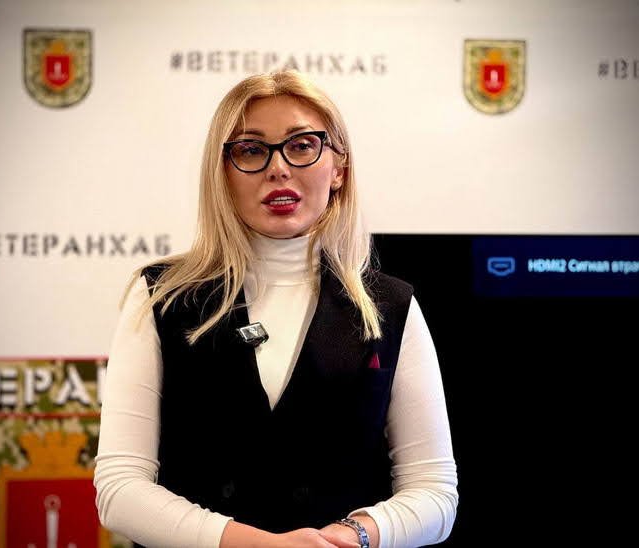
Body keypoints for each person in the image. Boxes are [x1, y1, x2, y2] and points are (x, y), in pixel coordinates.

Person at [94, 70, 458, 548]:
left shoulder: (391, 306)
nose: (279, 169)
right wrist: (261, 545)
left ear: (339, 168)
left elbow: (434, 495)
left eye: (302, 145)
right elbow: (119, 491)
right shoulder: (161, 295)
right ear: (222, 173)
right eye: (251, 150)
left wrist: (353, 535)